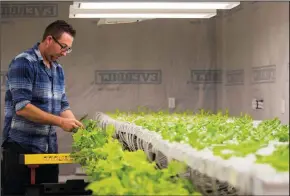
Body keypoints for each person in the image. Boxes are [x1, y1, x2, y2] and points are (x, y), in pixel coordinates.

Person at [1, 20, 83, 195]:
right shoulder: (24, 63)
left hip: (48, 149)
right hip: (20, 147)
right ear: (49, 40)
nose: (65, 53)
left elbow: (62, 104)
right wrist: (61, 122)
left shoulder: (58, 70)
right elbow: (22, 107)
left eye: (68, 49)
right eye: (63, 47)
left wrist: (75, 124)